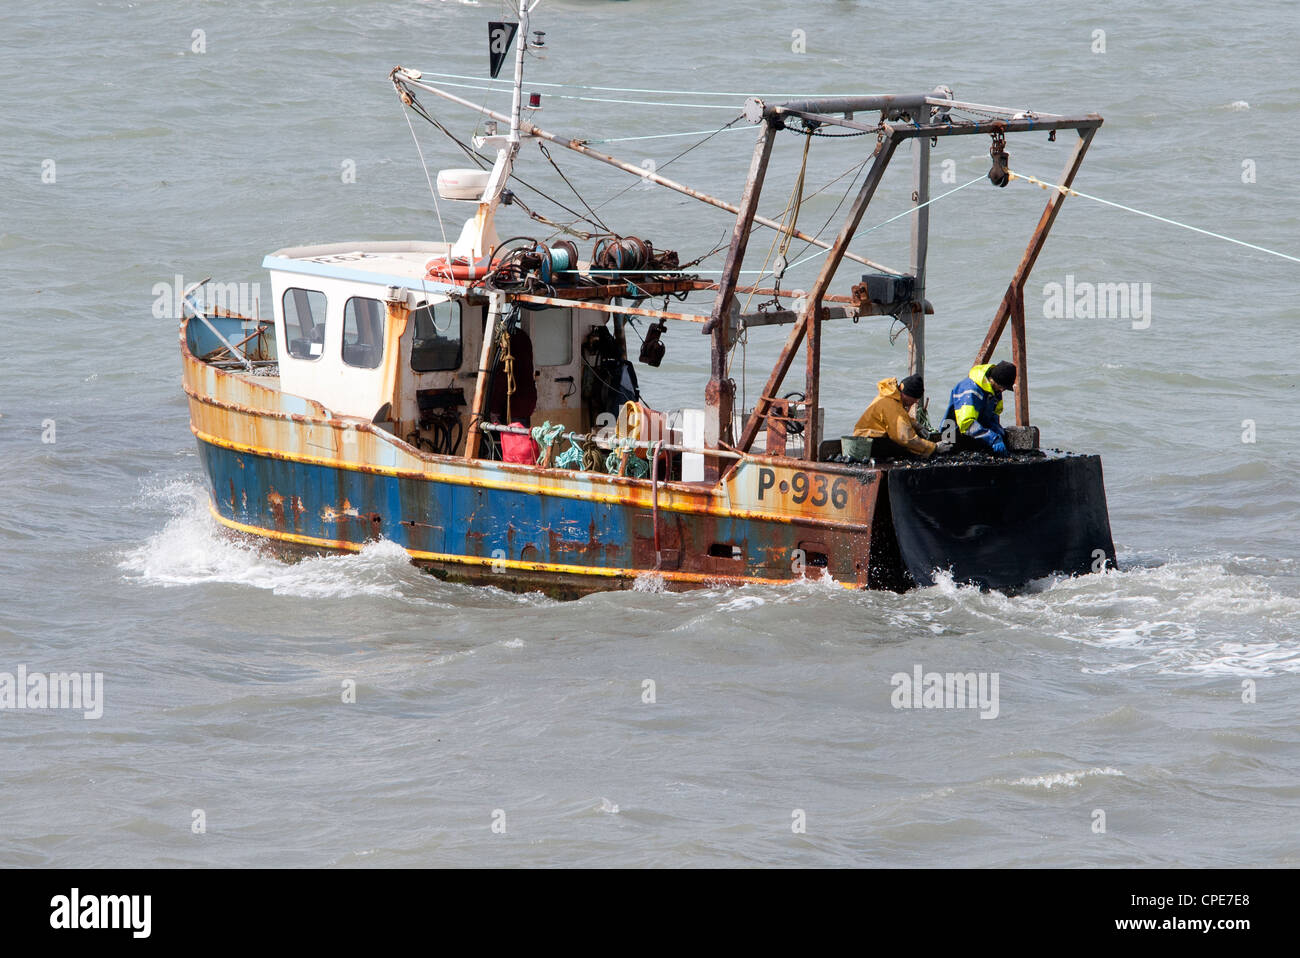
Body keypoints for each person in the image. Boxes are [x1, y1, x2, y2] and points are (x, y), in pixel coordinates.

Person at [853, 374, 944, 461]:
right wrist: (933, 447)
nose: (915, 402)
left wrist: (917, 426)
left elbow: (902, 417)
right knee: (907, 449)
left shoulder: (891, 397)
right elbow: (905, 438)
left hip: (867, 440)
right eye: (914, 399)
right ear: (906, 394)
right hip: (868, 445)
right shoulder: (891, 405)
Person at [942, 360, 1016, 455]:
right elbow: (966, 423)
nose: (1002, 390)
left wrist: (999, 434)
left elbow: (993, 419)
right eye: (1002, 387)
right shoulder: (970, 389)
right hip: (951, 437)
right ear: (993, 380)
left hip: (977, 437)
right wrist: (992, 438)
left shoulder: (995, 392)